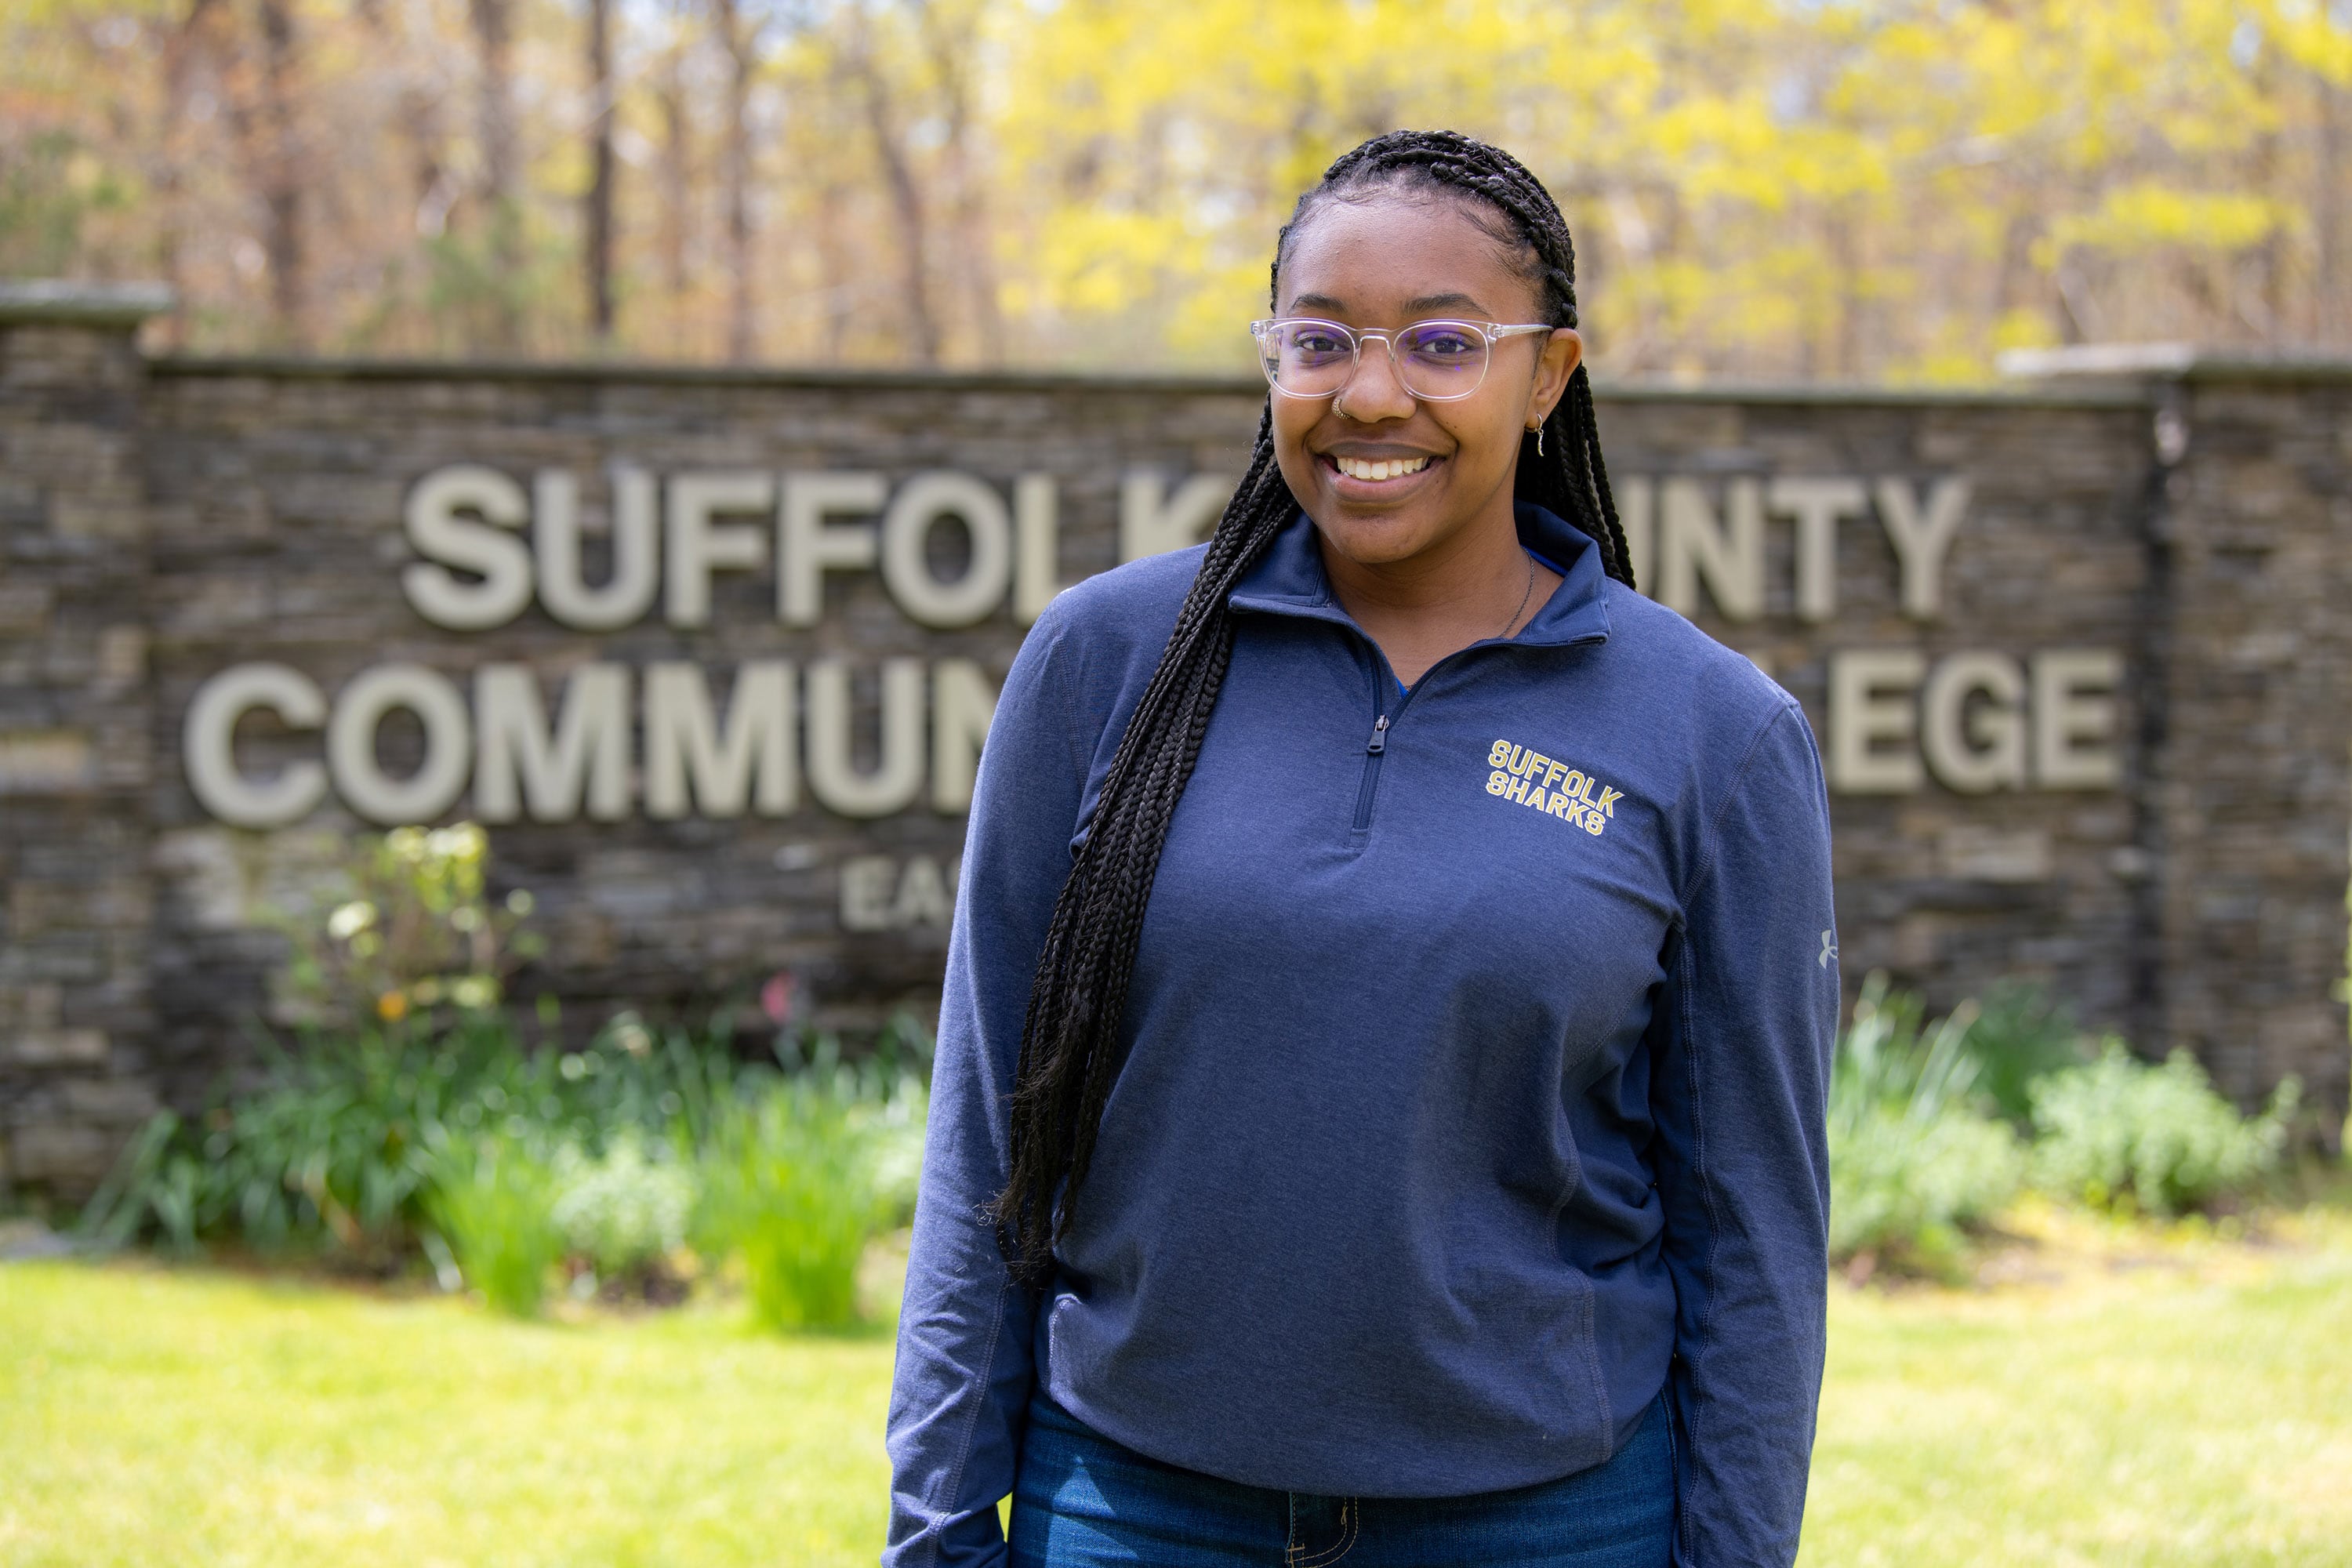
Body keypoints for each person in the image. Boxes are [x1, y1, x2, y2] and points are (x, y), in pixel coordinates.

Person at [884, 129, 1838, 1568]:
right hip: (1132, 1513)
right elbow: (989, 1141)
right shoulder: (1107, 663)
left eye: (1444, 342)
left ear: (1550, 376)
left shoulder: (1710, 732)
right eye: (1318, 339)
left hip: (1547, 1529)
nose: (1371, 393)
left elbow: (1752, 1225)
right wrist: (938, 1531)